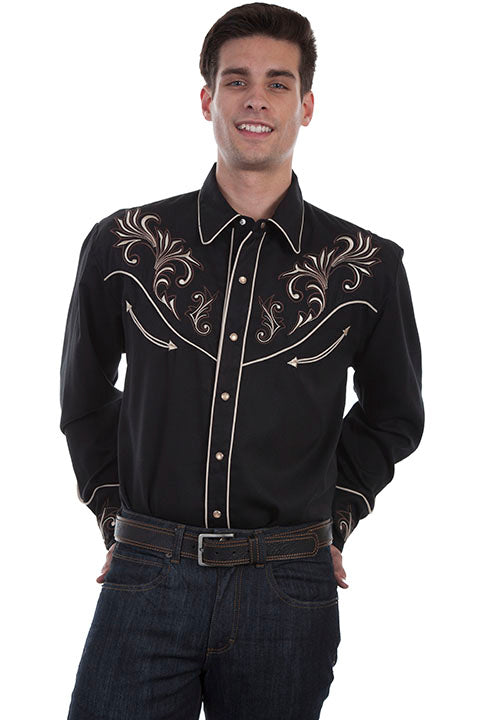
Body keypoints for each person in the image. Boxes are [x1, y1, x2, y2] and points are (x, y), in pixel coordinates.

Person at [59, 3, 425, 718]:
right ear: (207, 99)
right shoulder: (124, 245)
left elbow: (394, 414)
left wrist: (336, 517)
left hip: (288, 586)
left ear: (306, 106)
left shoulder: (367, 267)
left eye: (278, 83)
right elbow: (84, 397)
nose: (257, 98)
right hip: (147, 574)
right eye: (237, 80)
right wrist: (114, 515)